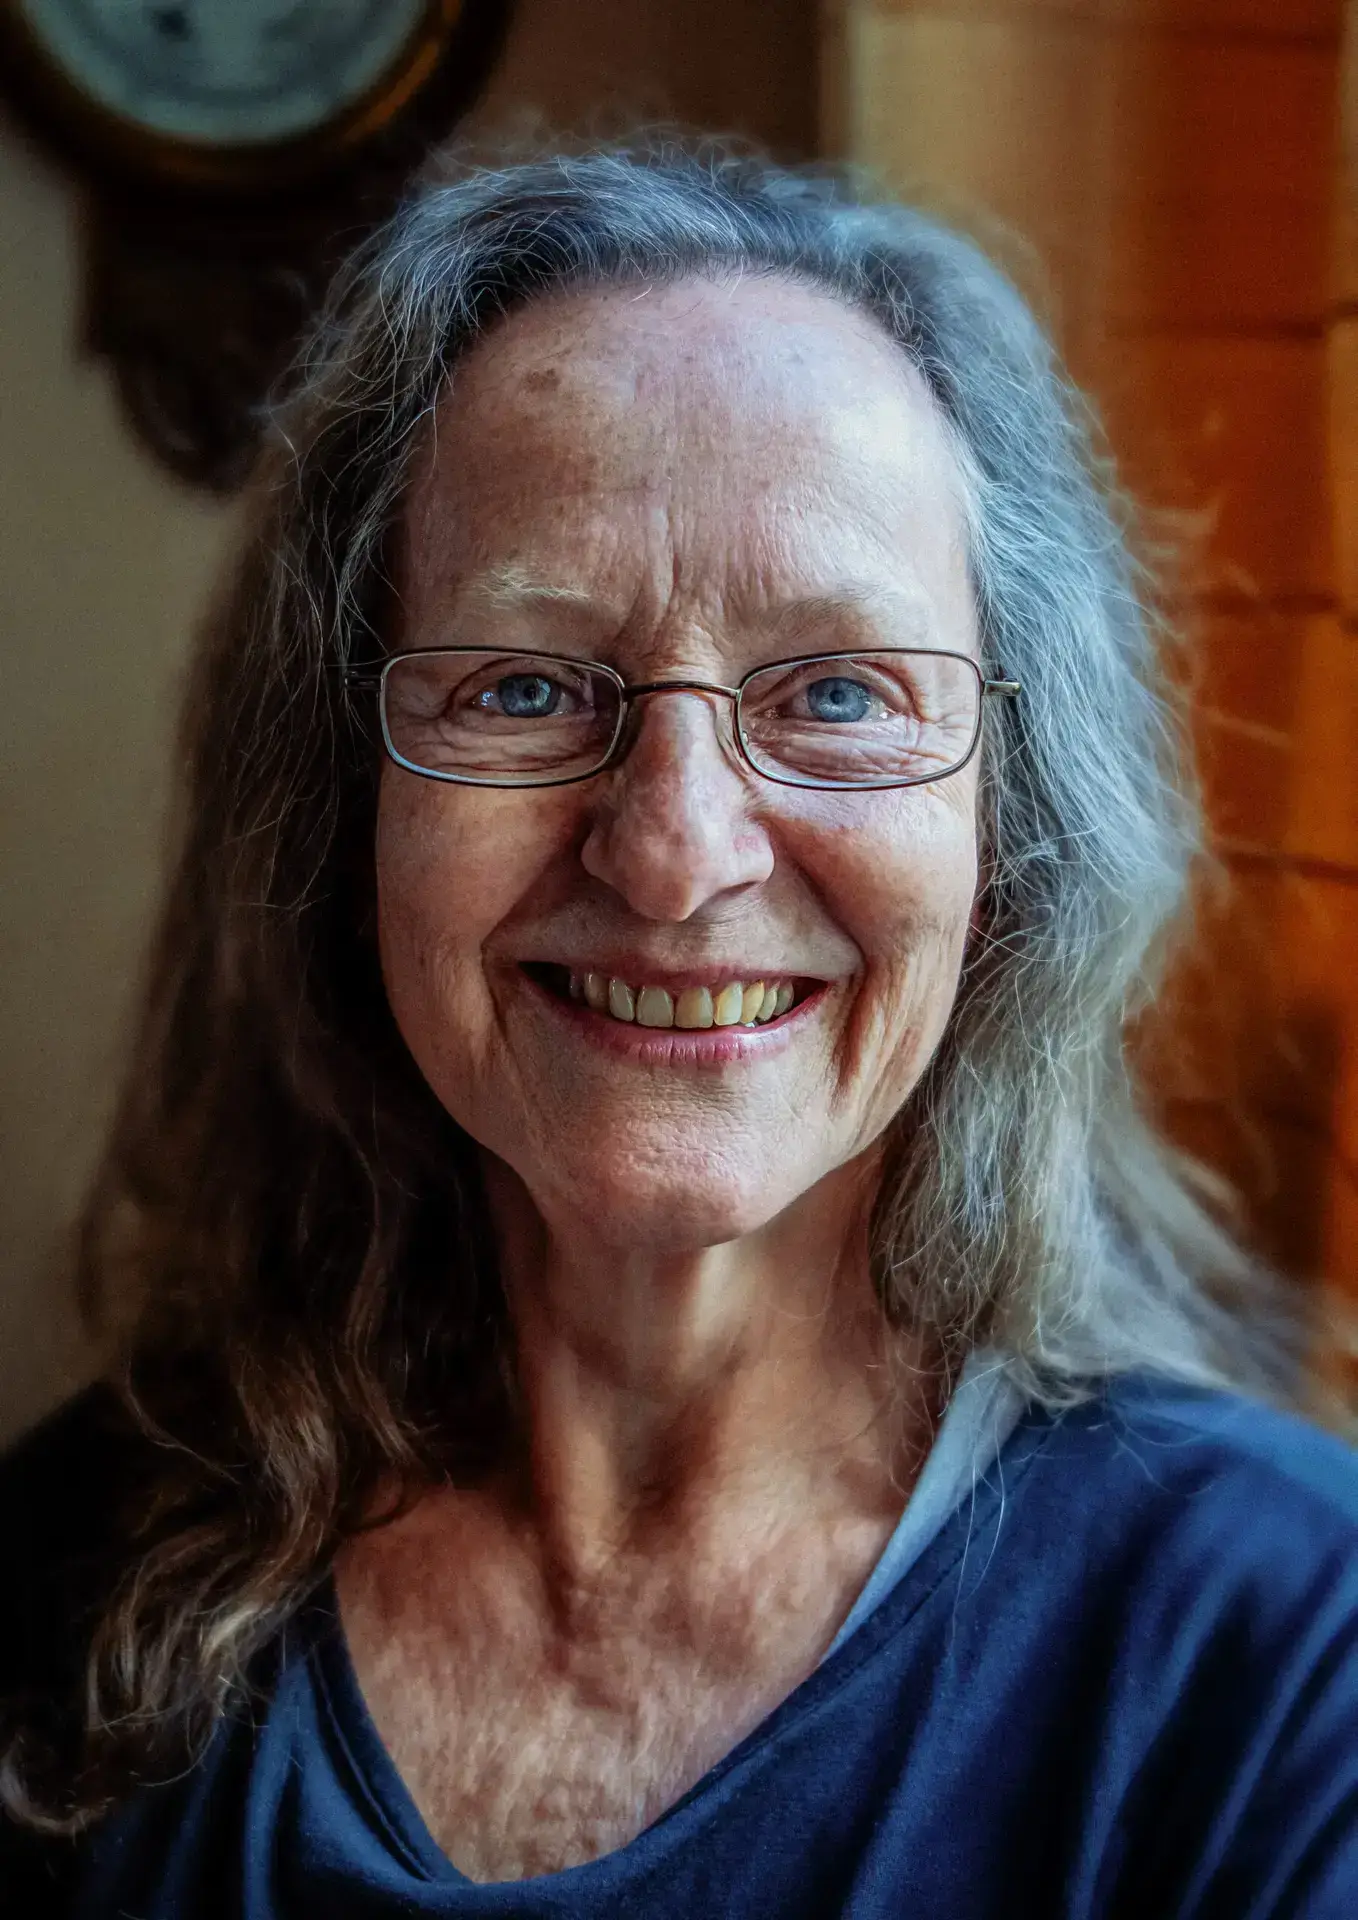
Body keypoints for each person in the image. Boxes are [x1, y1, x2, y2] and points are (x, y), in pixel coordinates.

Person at [2, 141, 1356, 1918]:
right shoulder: (66, 1571)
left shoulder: (1280, 1661)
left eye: (842, 692)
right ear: (346, 815)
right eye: (532, 683)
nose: (674, 849)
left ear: (1007, 826)